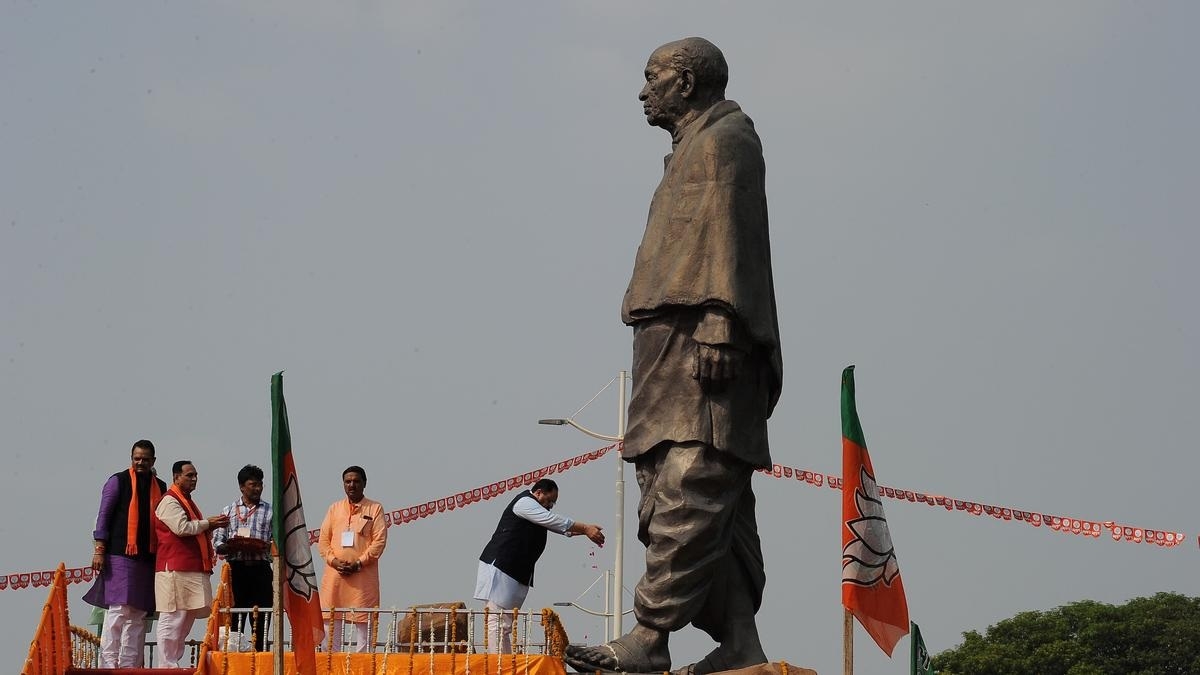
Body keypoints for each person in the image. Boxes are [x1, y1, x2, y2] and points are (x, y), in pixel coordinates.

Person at [566, 37, 782, 675]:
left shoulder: (726, 140)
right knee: (694, 489)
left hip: (706, 336)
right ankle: (741, 640)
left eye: (652, 77)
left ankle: (650, 636)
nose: (642, 91)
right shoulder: (689, 148)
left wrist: (721, 316)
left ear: (685, 82)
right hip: (668, 341)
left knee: (694, 478)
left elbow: (734, 232)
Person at [475, 478, 605, 653]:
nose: (550, 505)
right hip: (501, 565)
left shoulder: (537, 509)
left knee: (504, 623)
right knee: (496, 620)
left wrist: (585, 530)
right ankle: (498, 664)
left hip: (516, 570)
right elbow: (551, 520)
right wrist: (585, 528)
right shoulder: (524, 503)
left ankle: (502, 662)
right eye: (549, 500)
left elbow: (559, 527)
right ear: (539, 493)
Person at [83, 440, 169, 668]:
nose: (140, 463)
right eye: (136, 458)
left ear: (153, 461)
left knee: (138, 613)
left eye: (145, 459)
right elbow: (103, 516)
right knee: (119, 609)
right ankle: (109, 663)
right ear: (131, 458)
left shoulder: (160, 486)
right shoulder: (117, 482)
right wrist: (99, 550)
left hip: (147, 557)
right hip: (119, 554)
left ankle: (129, 664)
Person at [154, 460, 230, 667]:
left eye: (195, 475)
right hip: (175, 568)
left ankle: (172, 662)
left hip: (190, 568)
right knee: (173, 618)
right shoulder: (169, 501)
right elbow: (182, 528)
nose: (194, 479)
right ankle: (166, 665)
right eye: (189, 475)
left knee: (185, 619)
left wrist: (208, 526)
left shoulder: (186, 501)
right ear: (176, 477)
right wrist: (209, 523)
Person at [318, 466, 388, 652]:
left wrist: (359, 562)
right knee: (331, 622)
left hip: (363, 576)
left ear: (364, 484)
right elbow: (323, 542)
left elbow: (379, 542)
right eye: (348, 481)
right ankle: (330, 667)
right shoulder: (334, 509)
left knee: (364, 622)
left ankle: (362, 669)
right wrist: (334, 561)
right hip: (335, 575)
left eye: (356, 481)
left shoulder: (374, 508)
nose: (352, 485)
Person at [212, 464, 274, 652]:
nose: (257, 488)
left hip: (260, 570)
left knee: (262, 620)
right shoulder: (229, 510)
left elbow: (277, 541)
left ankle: (261, 662)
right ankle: (233, 664)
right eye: (252, 484)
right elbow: (217, 542)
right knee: (234, 622)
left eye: (260, 484)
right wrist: (230, 546)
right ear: (241, 486)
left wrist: (266, 546)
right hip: (236, 571)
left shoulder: (271, 511)